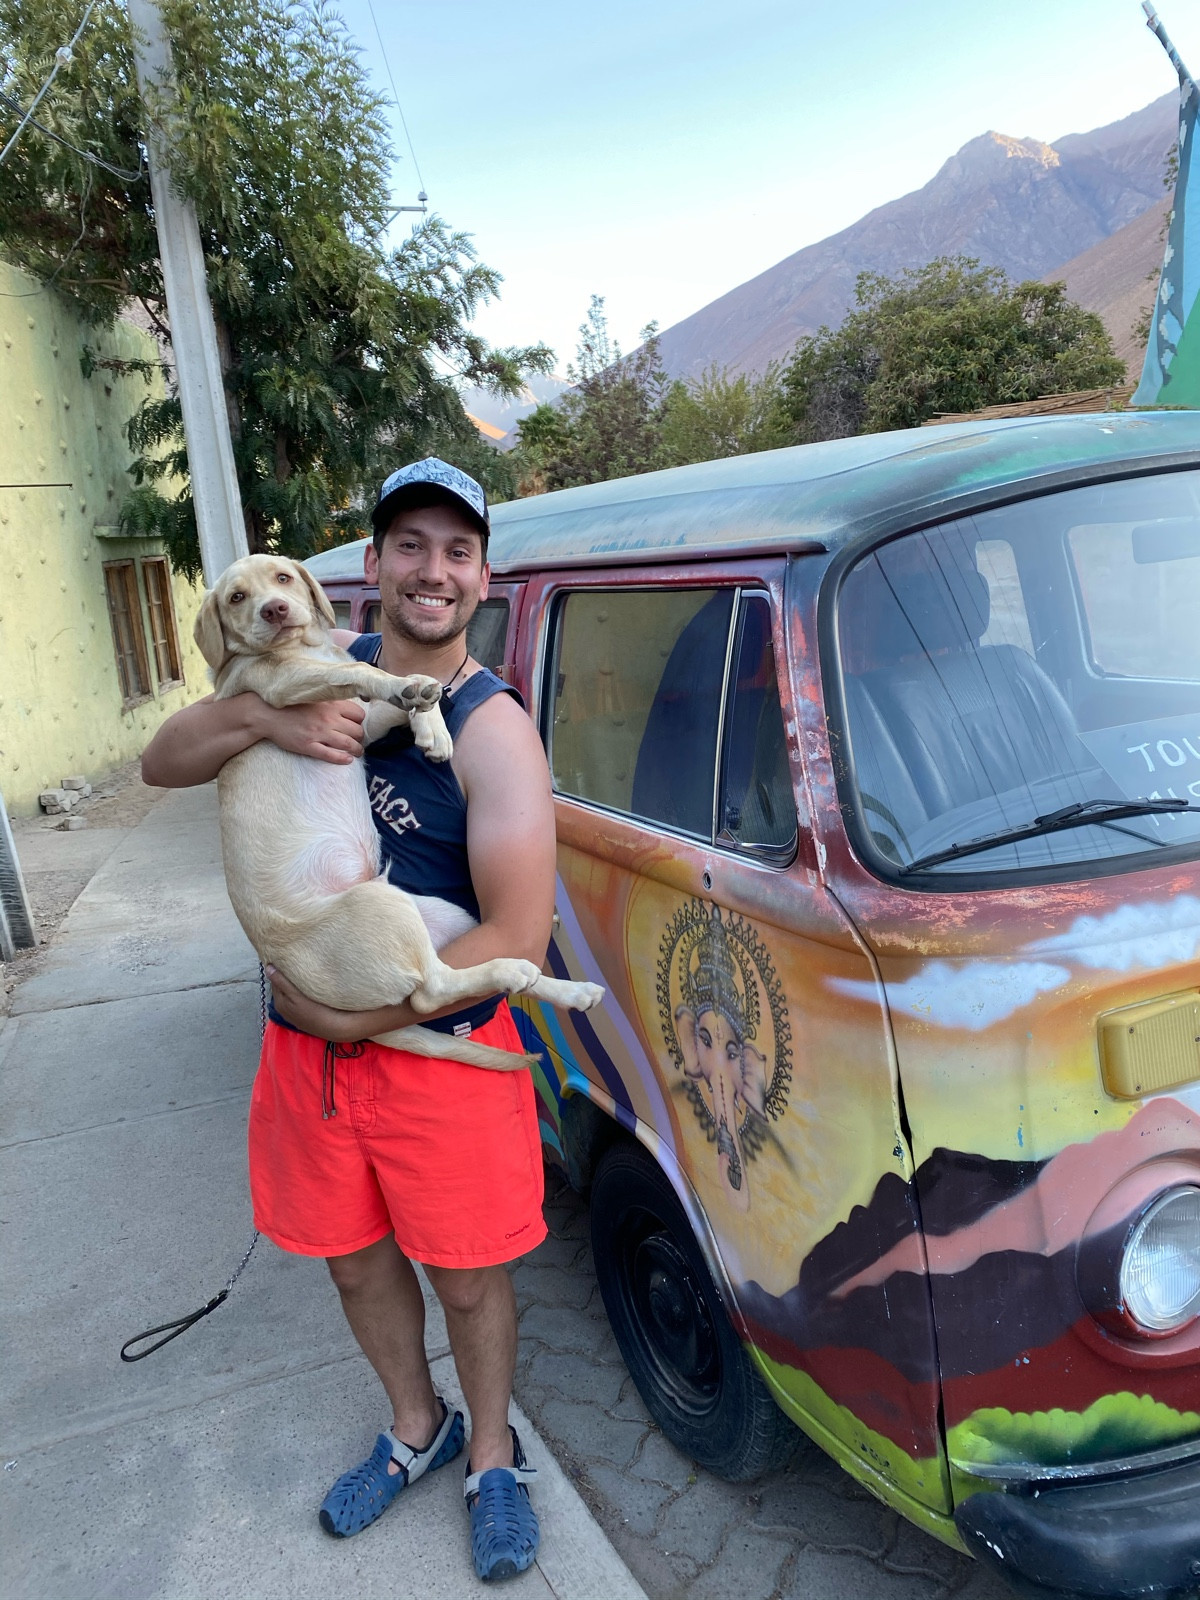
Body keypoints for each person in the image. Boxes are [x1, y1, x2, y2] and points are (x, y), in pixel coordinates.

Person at [141, 458, 554, 1581]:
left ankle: (494, 1455)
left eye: (457, 551)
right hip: (313, 1056)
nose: (433, 571)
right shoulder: (316, 664)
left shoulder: (491, 727)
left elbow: (518, 932)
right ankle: (418, 1429)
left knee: (466, 1273)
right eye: (409, 545)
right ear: (370, 566)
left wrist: (352, 1019)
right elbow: (162, 761)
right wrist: (258, 723)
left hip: (437, 1047)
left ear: (483, 577)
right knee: (356, 1266)